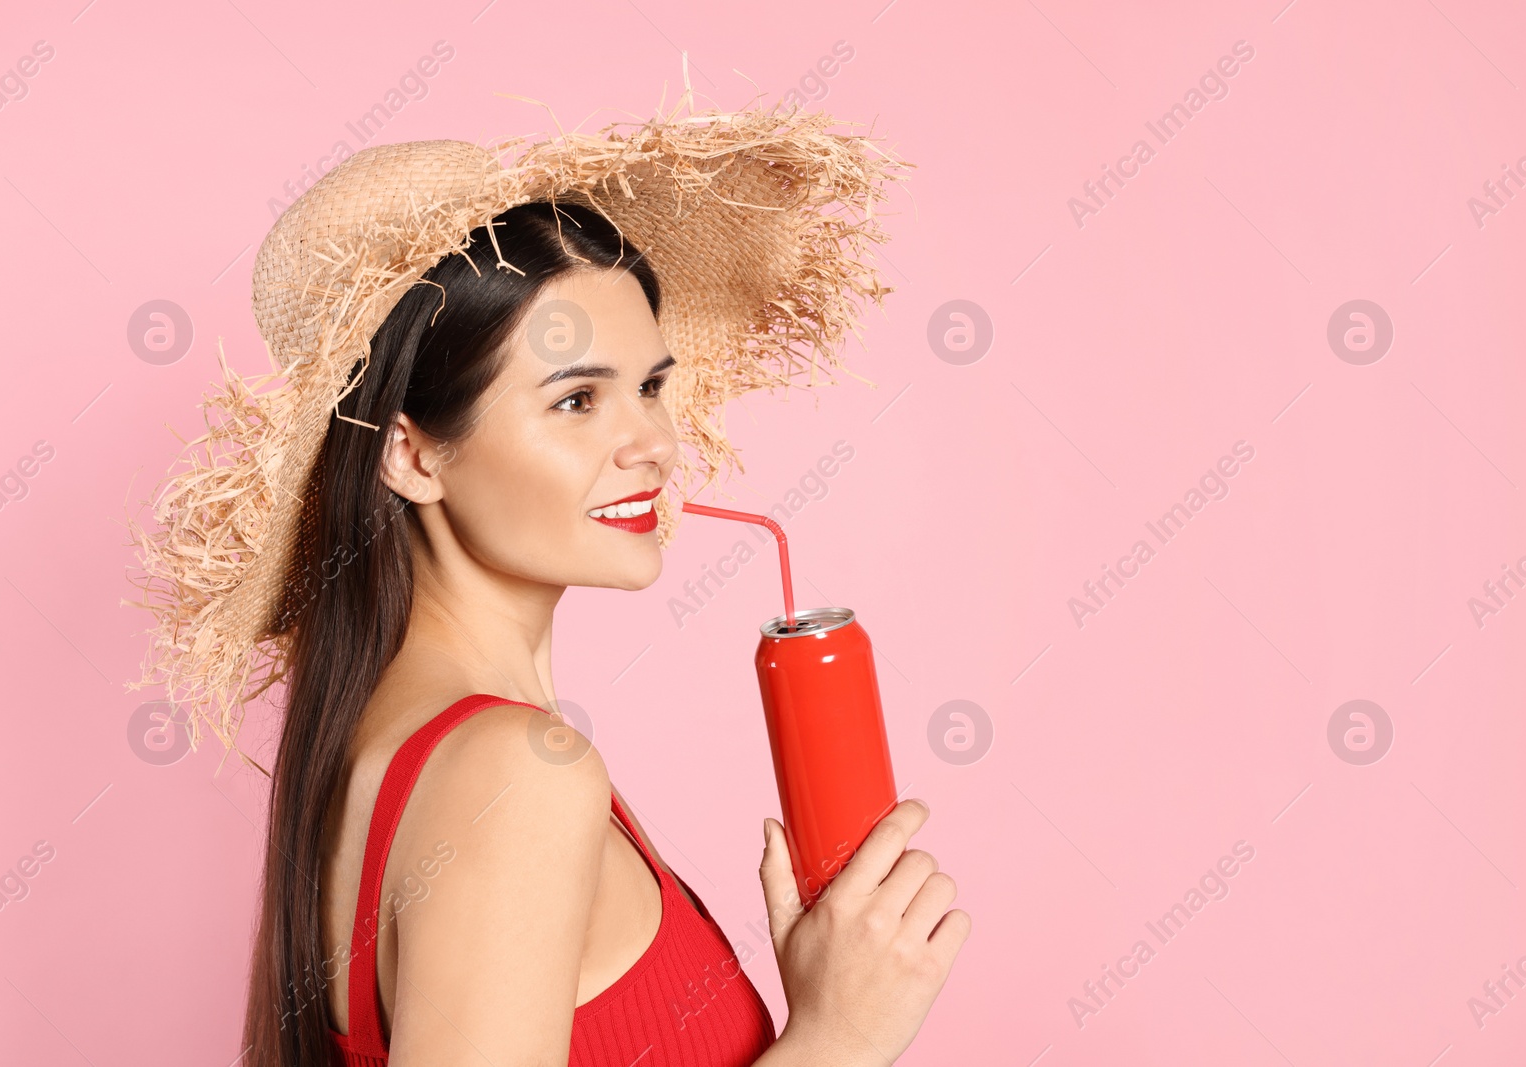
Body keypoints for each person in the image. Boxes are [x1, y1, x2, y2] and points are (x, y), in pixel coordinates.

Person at [127, 110, 968, 1067]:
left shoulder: (386, 740)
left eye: (651, 386)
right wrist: (841, 1037)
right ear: (410, 454)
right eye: (575, 399)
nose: (652, 444)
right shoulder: (516, 775)